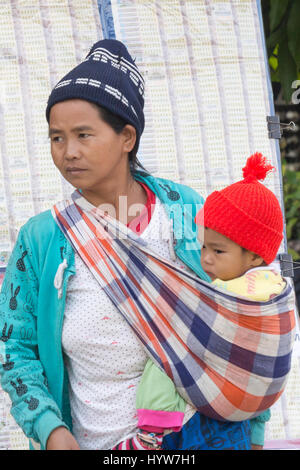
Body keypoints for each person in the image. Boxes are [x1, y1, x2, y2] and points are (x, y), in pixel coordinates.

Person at [0, 39, 261, 451]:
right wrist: (50, 430)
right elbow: (15, 347)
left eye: (84, 135)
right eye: (56, 138)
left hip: (198, 435)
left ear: (127, 136)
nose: (69, 153)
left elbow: (249, 316)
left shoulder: (187, 215)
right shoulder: (44, 239)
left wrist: (256, 429)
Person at [112, 153, 284, 451]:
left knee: (165, 352)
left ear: (255, 255)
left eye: (218, 251)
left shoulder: (242, 296)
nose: (205, 258)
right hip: (236, 419)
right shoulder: (271, 287)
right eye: (203, 245)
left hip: (215, 426)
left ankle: (151, 432)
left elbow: (255, 360)